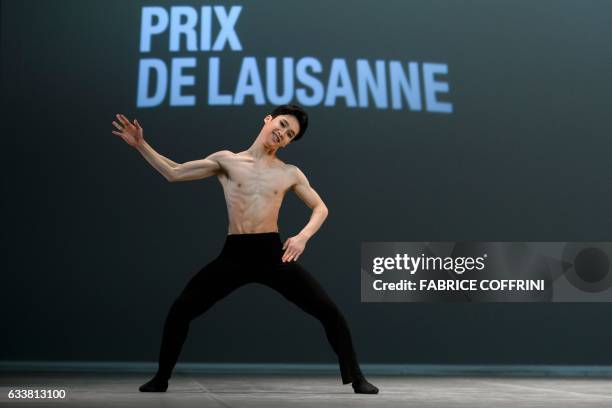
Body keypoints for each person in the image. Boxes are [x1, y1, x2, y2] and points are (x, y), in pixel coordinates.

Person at [111, 104, 379, 394]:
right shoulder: (228, 161)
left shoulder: (290, 173)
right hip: (235, 255)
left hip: (271, 255)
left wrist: (302, 236)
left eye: (290, 134)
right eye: (282, 124)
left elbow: (320, 208)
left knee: (328, 311)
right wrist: (141, 145)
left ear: (289, 142)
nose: (282, 133)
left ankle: (357, 378)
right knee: (181, 310)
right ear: (268, 120)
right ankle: (161, 378)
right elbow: (174, 172)